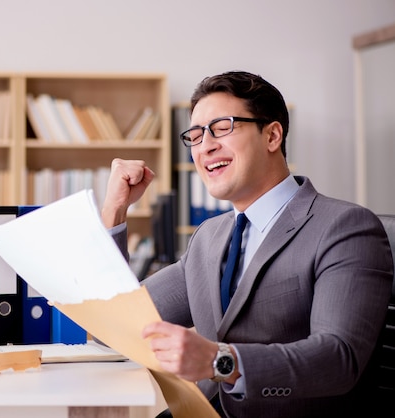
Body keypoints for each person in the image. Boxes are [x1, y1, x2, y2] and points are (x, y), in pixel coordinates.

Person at [100, 71, 393, 417]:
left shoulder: (345, 227)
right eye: (195, 135)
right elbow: (116, 324)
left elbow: (337, 359)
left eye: (222, 127)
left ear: (272, 135)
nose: (205, 145)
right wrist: (115, 211)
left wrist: (220, 360)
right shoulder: (208, 237)